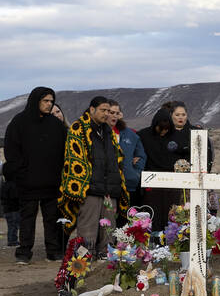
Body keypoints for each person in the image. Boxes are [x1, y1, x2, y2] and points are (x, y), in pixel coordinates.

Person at [3, 87, 66, 264]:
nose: (49, 104)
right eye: (45, 101)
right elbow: (11, 150)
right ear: (35, 100)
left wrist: (58, 173)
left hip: (51, 181)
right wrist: (21, 172)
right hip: (28, 182)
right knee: (27, 219)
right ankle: (24, 253)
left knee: (51, 218)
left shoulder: (55, 125)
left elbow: (64, 150)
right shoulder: (19, 122)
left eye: (51, 101)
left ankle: (53, 251)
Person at [59, 97, 128, 250]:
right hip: (90, 188)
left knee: (109, 226)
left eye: (108, 111)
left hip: (109, 187)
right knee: (88, 228)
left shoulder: (108, 131)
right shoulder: (79, 128)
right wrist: (86, 183)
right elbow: (74, 158)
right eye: (103, 110)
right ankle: (83, 258)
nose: (106, 114)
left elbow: (116, 159)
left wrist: (115, 184)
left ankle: (106, 254)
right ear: (92, 110)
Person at [138, 108, 178, 231]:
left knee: (170, 212)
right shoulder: (143, 135)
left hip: (171, 182)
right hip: (151, 181)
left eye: (166, 129)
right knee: (152, 211)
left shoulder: (175, 136)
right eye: (160, 129)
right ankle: (153, 238)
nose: (163, 132)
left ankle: (170, 238)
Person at [109, 101, 145, 222]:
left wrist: (135, 172)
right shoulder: (99, 132)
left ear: (121, 115)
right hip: (107, 186)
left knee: (126, 222)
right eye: (111, 112)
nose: (114, 116)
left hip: (128, 184)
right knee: (108, 222)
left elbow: (141, 155)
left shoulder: (131, 134)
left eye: (116, 113)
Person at [1, 163, 18, 247]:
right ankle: (12, 241)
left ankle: (11, 240)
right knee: (14, 226)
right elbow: (14, 197)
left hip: (6, 208)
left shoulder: (4, 184)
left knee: (10, 225)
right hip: (13, 208)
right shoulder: (13, 185)